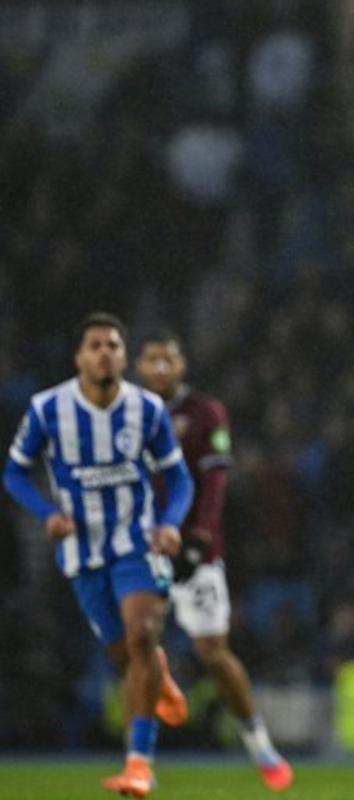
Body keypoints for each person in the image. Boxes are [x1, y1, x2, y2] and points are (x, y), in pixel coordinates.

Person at [3, 312, 194, 798]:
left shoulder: (147, 410)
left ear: (124, 356)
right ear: (79, 357)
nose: (105, 352)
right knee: (122, 652)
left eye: (112, 344)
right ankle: (160, 676)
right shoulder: (48, 410)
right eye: (95, 345)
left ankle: (138, 765)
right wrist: (46, 512)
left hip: (137, 540)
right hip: (82, 550)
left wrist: (170, 523)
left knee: (142, 635)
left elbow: (180, 479)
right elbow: (14, 473)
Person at [136, 332, 293, 792]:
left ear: (181, 365)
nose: (161, 368)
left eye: (169, 359)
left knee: (213, 654)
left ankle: (260, 745)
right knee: (137, 646)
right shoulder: (126, 414)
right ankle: (139, 760)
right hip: (143, 550)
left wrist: (200, 539)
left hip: (198, 554)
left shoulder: (205, 413)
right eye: (152, 360)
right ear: (140, 366)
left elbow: (215, 484)